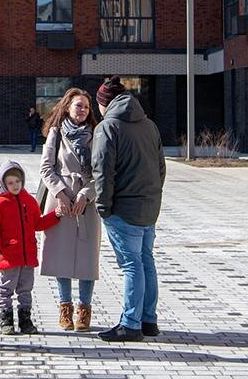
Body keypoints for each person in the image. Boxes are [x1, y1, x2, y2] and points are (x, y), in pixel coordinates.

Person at [91, 76, 166, 343]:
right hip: (149, 206)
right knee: (146, 261)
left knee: (132, 265)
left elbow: (102, 173)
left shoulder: (107, 127)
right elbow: (160, 168)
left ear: (104, 102)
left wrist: (103, 208)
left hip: (123, 209)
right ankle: (149, 320)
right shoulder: (149, 125)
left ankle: (130, 323)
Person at [39, 88, 102, 332]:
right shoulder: (56, 133)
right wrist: (60, 195)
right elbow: (46, 168)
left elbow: (102, 172)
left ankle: (84, 312)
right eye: (78, 105)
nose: (83, 110)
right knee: (60, 256)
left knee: (88, 259)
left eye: (86, 106)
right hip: (61, 201)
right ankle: (65, 309)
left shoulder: (97, 134)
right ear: (67, 107)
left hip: (87, 203)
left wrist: (86, 195)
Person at [0, 161, 61, 336]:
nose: (15, 186)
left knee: (25, 290)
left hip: (27, 256)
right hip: (9, 256)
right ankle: (6, 320)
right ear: (4, 184)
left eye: (17, 181)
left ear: (22, 180)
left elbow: (38, 223)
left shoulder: (29, 200)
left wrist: (55, 215)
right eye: (10, 183)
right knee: (6, 289)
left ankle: (25, 320)